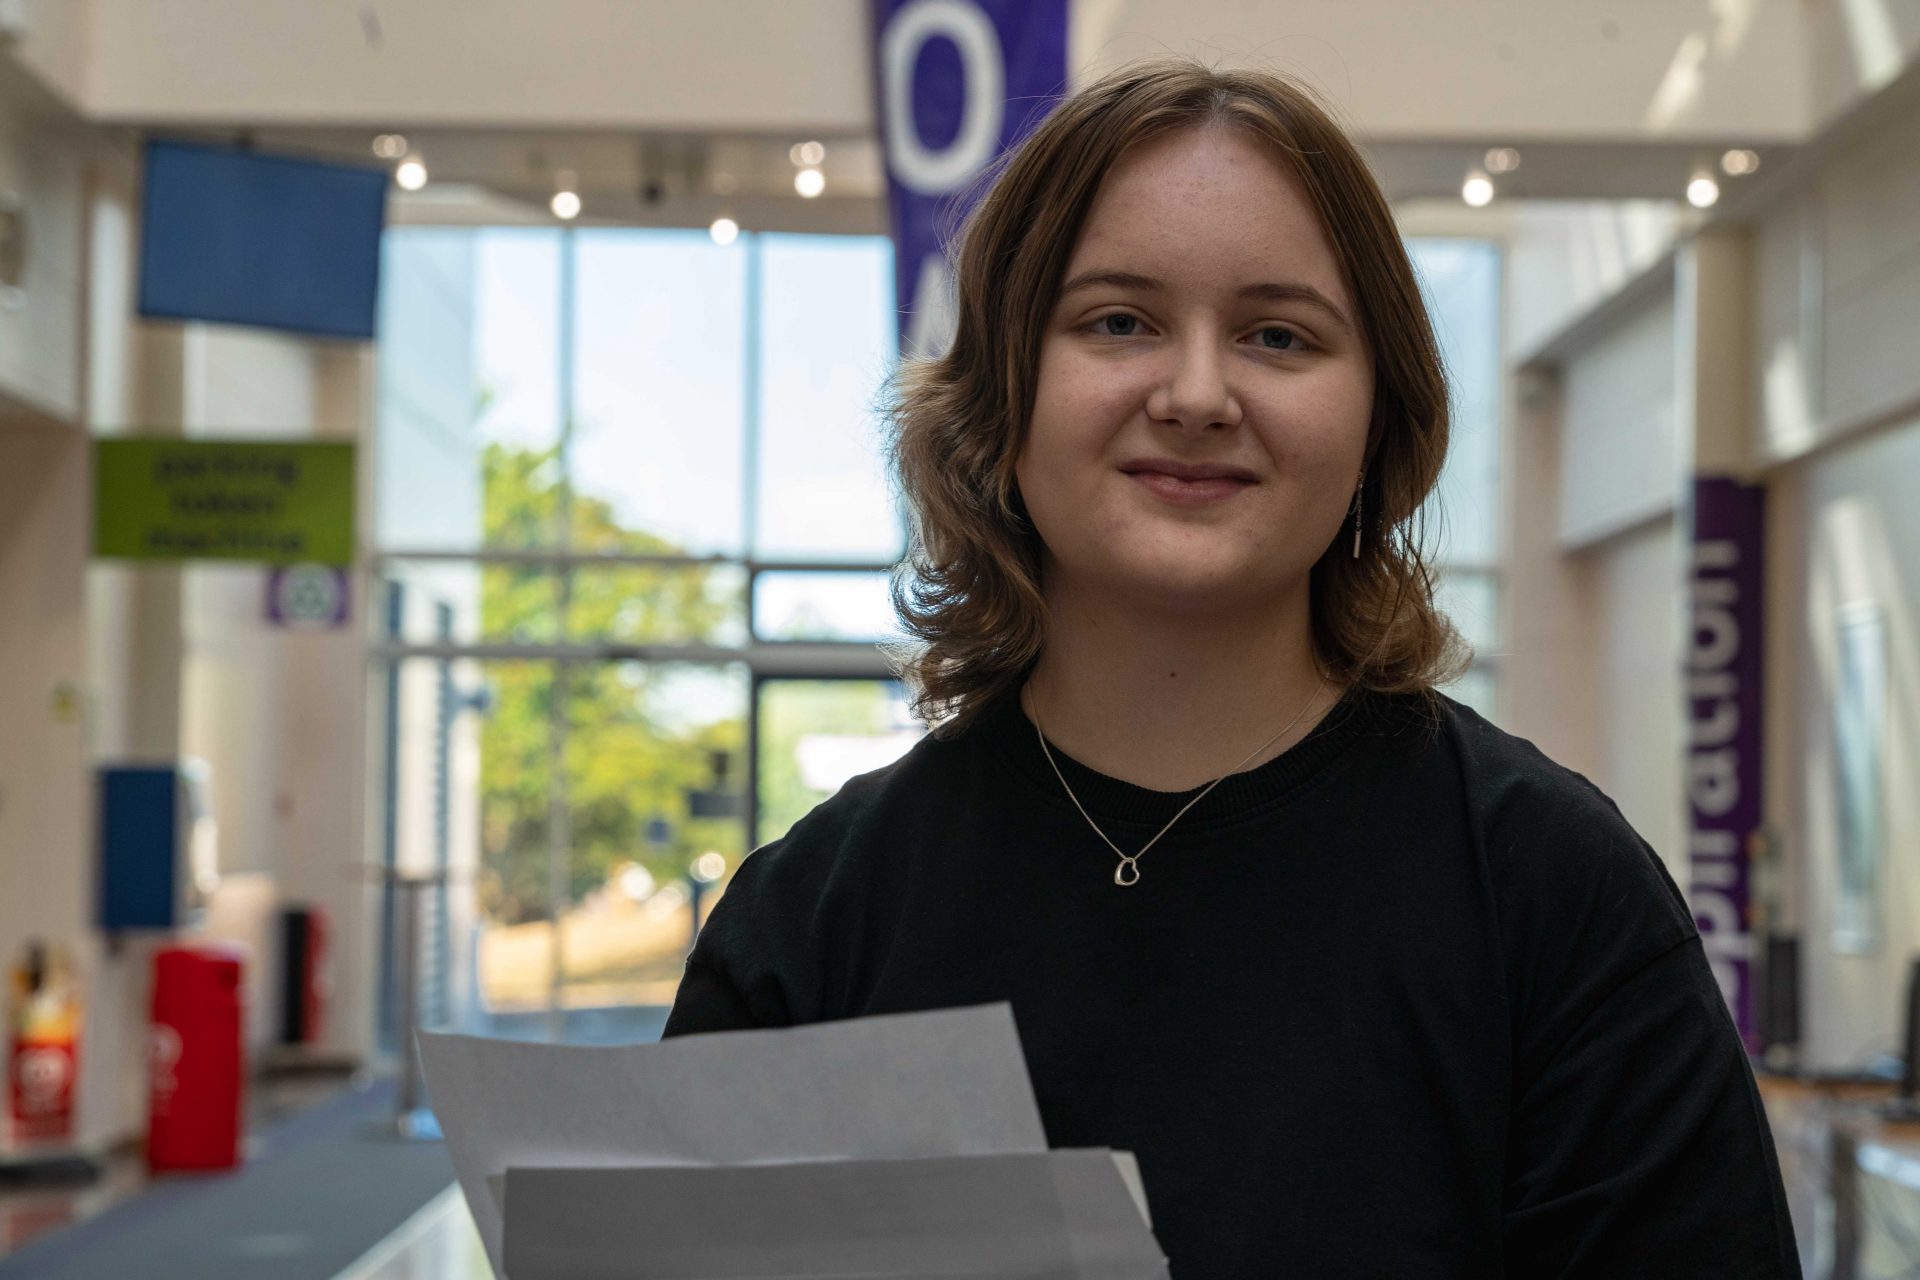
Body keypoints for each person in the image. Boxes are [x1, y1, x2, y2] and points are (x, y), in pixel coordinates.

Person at [664, 57, 1802, 1278]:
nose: (1197, 394)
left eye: (1277, 334)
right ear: (1002, 399)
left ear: (1380, 420)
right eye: (1118, 321)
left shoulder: (1558, 899)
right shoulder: (813, 923)